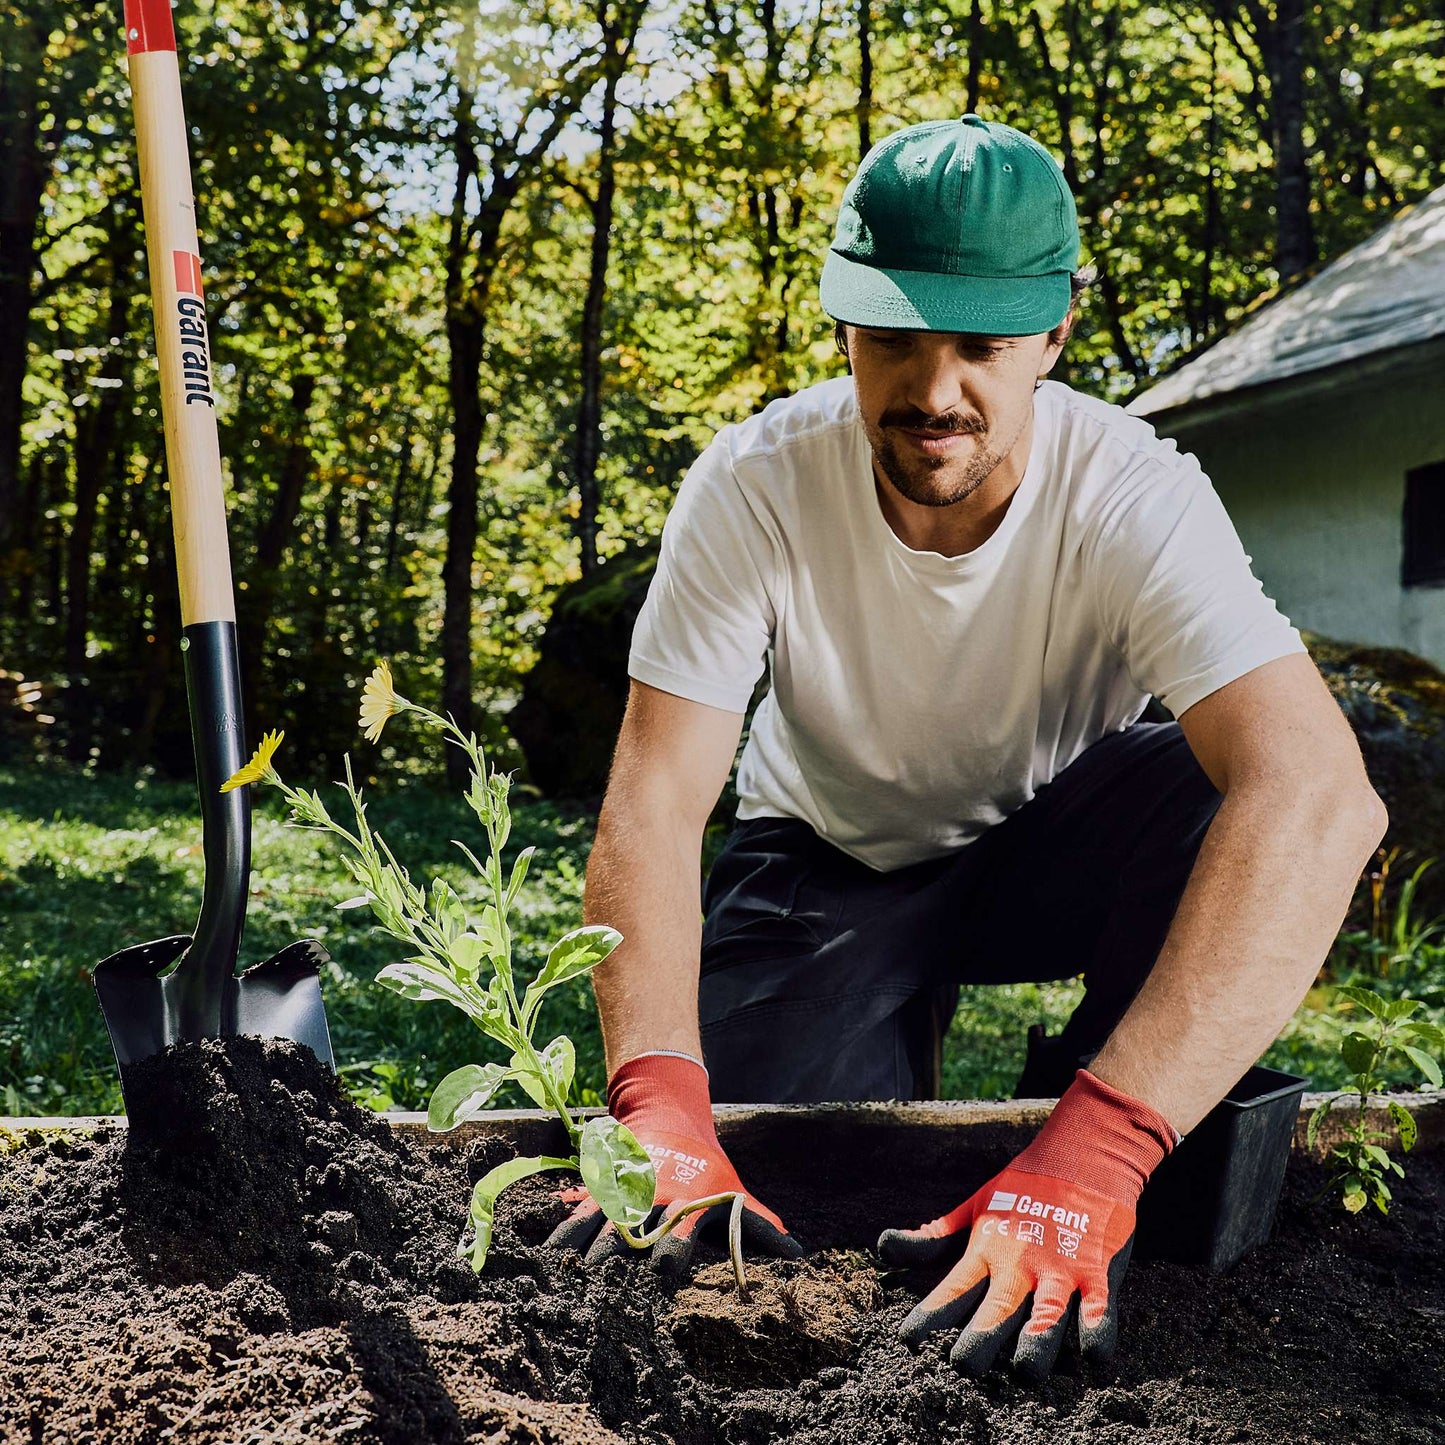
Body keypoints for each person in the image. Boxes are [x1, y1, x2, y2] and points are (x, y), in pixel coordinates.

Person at [547, 115, 1386, 1380]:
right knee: (784, 1164)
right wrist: (659, 1108)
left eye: (981, 345)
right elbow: (654, 806)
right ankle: (899, 1059)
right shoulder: (753, 485)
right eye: (891, 336)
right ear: (840, 324)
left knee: (1232, 787)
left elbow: (1326, 799)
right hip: (827, 855)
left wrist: (1094, 1148)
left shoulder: (1131, 493)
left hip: (1058, 837)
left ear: (1053, 334)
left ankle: (1094, 1127)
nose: (933, 392)